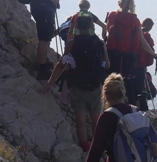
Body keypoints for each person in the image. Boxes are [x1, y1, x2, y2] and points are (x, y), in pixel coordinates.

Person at [39, 14, 109, 151]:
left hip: (77, 86)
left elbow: (61, 65)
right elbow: (107, 65)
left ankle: (84, 146)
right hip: (95, 85)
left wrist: (49, 83)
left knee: (80, 120)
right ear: (92, 26)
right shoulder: (100, 43)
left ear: (76, 27)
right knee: (96, 119)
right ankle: (98, 146)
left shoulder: (72, 42)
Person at [105, 0, 157, 105]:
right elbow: (143, 42)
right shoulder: (135, 21)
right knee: (128, 86)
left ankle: (111, 107)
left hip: (113, 56)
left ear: (119, 3)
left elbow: (105, 33)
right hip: (129, 59)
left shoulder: (112, 15)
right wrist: (154, 55)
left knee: (113, 83)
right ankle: (131, 109)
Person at [31, 0, 65, 81]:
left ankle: (44, 63)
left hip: (45, 8)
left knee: (46, 37)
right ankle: (42, 68)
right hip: (43, 8)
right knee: (44, 38)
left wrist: (54, 0)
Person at [131, 18, 156, 110]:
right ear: (150, 27)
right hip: (140, 67)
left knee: (131, 89)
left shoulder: (134, 32)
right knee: (140, 89)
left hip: (129, 65)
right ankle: (139, 109)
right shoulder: (147, 37)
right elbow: (149, 52)